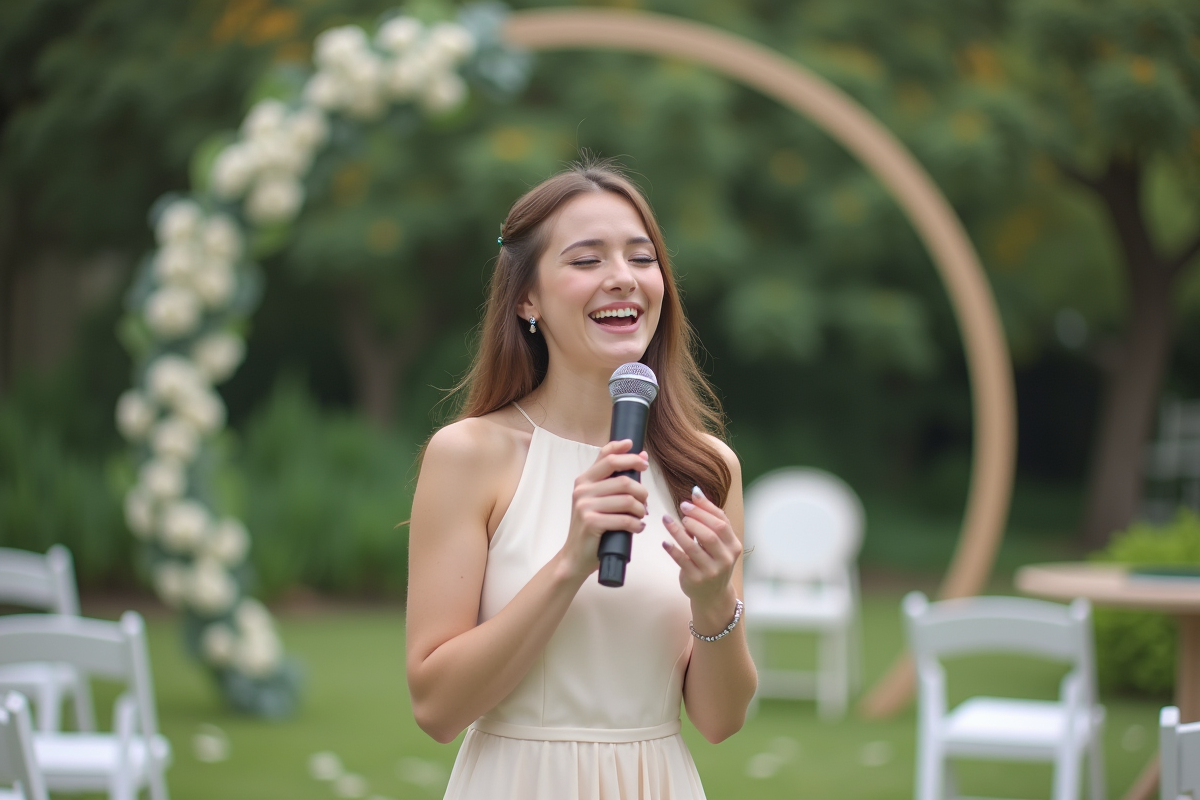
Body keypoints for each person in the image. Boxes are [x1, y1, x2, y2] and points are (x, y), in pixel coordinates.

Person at [406, 158, 757, 800]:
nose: (622, 279)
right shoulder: (468, 455)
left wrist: (713, 603)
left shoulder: (707, 469)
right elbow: (435, 707)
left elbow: (721, 720)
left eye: (641, 258)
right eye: (587, 260)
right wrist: (570, 563)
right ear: (526, 298)